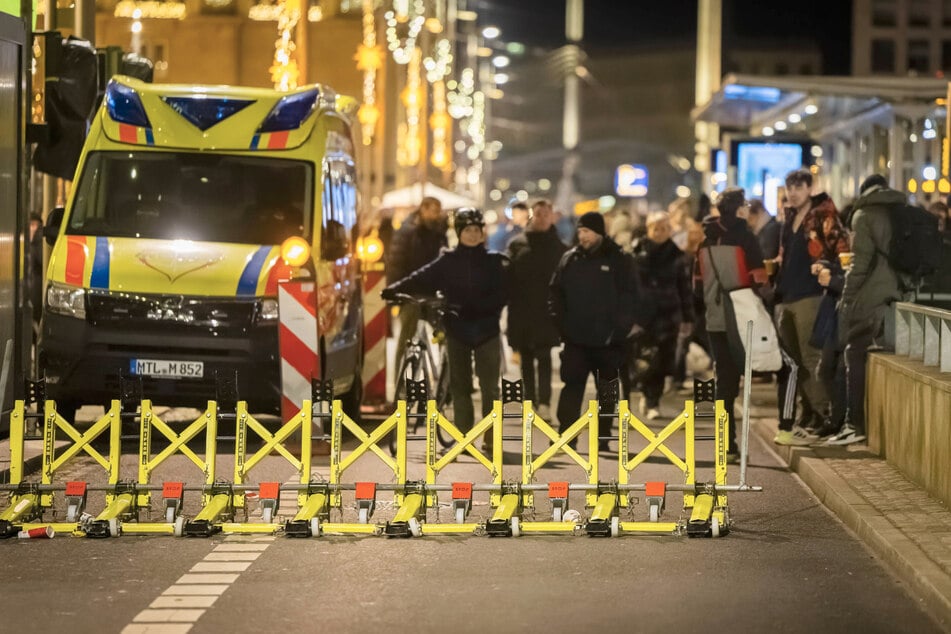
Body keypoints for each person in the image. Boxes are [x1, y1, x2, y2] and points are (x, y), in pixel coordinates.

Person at [381, 208, 508, 444]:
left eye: (475, 230)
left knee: (490, 387)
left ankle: (491, 437)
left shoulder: (493, 261)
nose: (471, 234)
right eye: (467, 230)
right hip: (457, 330)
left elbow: (503, 294)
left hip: (486, 331)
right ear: (458, 233)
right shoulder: (447, 260)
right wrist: (394, 288)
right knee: (460, 387)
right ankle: (464, 436)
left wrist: (484, 309)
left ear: (482, 233)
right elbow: (420, 276)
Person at [827, 175, 907, 446]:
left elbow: (859, 264)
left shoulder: (864, 215)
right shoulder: (901, 210)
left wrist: (847, 299)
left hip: (873, 293)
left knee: (854, 349)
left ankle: (854, 423)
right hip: (902, 291)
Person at [549, 211, 637, 451]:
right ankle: (566, 436)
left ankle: (603, 437)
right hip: (575, 339)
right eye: (580, 231)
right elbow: (555, 294)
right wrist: (561, 326)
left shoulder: (620, 259)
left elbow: (630, 297)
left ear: (599, 232)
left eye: (587, 231)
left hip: (608, 342)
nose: (583, 236)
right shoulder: (570, 259)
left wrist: (619, 331)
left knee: (607, 391)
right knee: (572, 387)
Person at [773, 168, 849, 445]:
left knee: (810, 357)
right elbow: (785, 253)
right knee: (792, 361)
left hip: (811, 295)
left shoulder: (824, 215)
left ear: (809, 188)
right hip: (787, 296)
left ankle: (823, 414)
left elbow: (843, 250)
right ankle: (807, 413)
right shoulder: (789, 217)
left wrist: (828, 269)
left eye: (798, 187)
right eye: (789, 186)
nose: (792, 192)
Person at [696, 188, 767, 460]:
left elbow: (696, 286)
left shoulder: (706, 242)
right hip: (744, 319)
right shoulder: (747, 239)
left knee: (724, 380)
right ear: (739, 209)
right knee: (748, 375)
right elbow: (759, 277)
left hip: (716, 319)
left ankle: (727, 444)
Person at [506, 199, 567, 419]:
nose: (541, 218)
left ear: (552, 217)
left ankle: (544, 403)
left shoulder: (560, 247)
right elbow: (507, 276)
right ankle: (529, 401)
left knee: (544, 356)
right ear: (532, 215)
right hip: (522, 309)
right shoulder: (517, 244)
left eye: (545, 214)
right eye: (538, 214)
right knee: (526, 357)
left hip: (547, 311)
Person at [631, 211, 693, 420]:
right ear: (648, 230)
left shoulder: (677, 256)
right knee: (646, 358)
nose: (659, 232)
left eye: (664, 228)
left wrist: (687, 318)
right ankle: (646, 393)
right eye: (655, 228)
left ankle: (652, 399)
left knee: (664, 360)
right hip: (642, 315)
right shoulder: (635, 253)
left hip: (668, 314)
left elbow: (684, 288)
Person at [385, 196, 448, 379]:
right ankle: (400, 383)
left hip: (433, 294)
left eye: (438, 211)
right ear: (423, 209)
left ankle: (445, 381)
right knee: (406, 340)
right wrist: (398, 293)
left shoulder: (440, 233)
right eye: (433, 211)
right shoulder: (407, 232)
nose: (436, 215)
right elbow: (396, 264)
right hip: (411, 295)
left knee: (446, 335)